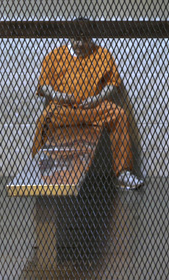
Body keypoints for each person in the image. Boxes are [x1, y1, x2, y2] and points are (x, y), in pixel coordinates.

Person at [31, 17, 144, 190]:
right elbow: (44, 84)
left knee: (119, 114)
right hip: (64, 108)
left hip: (94, 107)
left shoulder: (102, 54)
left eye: (85, 39)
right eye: (77, 39)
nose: (81, 44)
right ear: (70, 37)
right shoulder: (54, 56)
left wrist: (98, 98)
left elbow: (113, 83)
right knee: (45, 118)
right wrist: (57, 95)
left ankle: (123, 173)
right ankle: (37, 169)